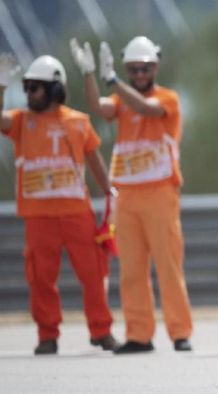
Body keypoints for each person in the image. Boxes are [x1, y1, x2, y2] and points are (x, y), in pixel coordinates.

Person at [69, 36, 193, 353]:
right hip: (127, 194)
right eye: (133, 69)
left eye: (144, 69)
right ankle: (139, 334)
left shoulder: (168, 98)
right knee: (131, 270)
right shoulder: (120, 100)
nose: (139, 75)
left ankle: (180, 332)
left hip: (160, 191)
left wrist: (114, 81)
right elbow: (98, 107)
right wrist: (88, 74)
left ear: (155, 67)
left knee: (168, 266)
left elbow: (147, 109)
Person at [0, 53, 117, 355]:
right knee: (40, 279)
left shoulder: (78, 122)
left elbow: (94, 159)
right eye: (25, 87)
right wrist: (1, 85)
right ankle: (47, 335)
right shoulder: (21, 122)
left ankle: (101, 331)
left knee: (93, 274)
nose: (28, 94)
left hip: (77, 213)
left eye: (34, 87)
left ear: (54, 89)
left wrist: (109, 190)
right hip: (38, 217)